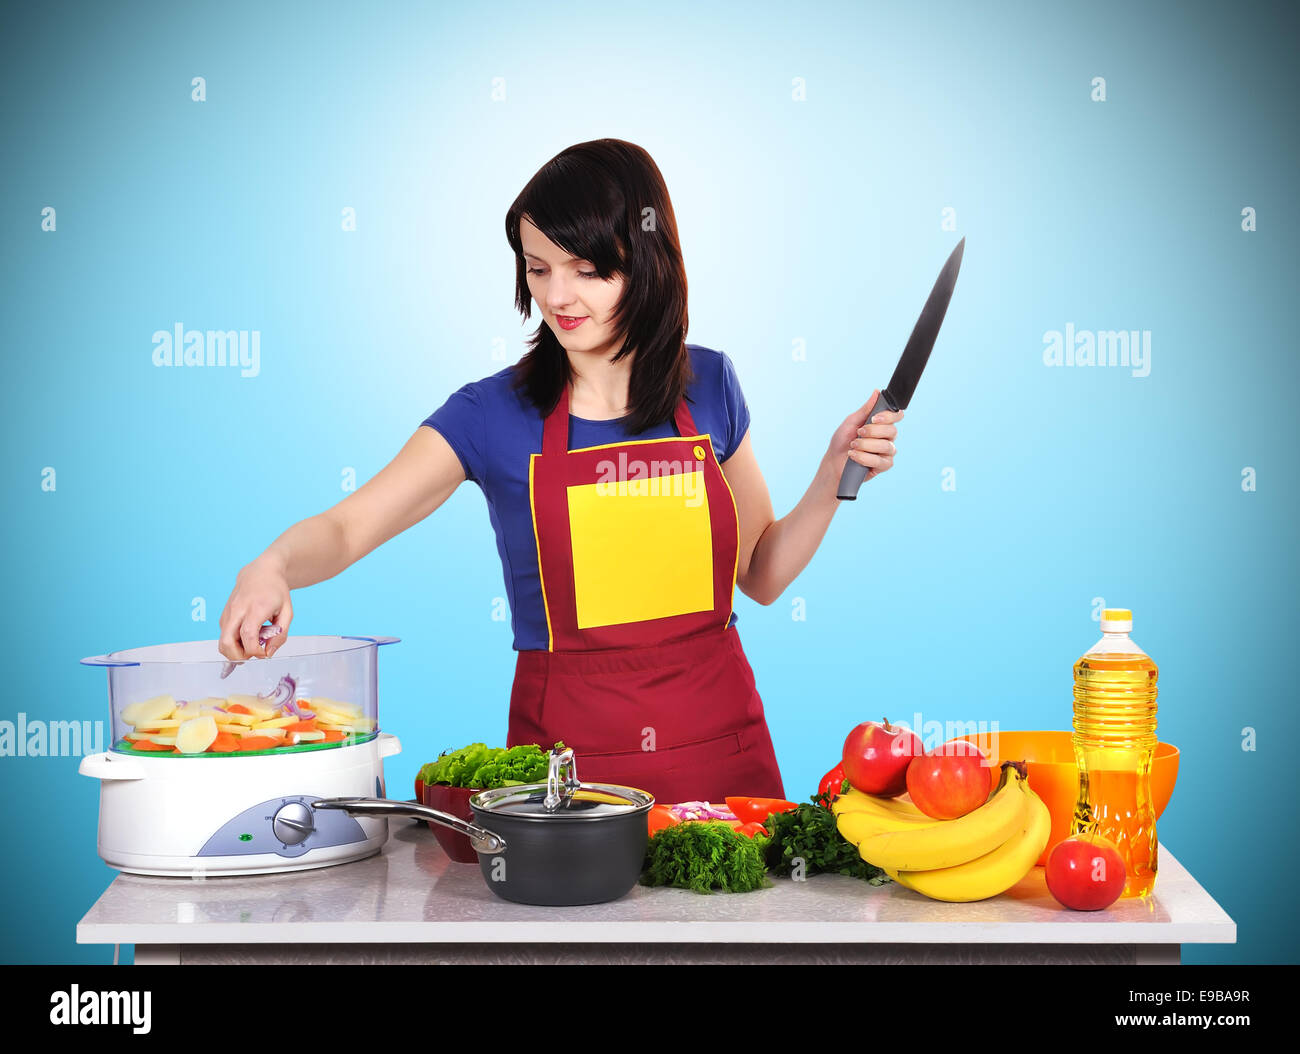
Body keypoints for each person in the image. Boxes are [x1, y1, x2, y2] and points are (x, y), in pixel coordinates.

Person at [218, 138, 902, 803]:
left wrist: (830, 476)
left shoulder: (710, 384)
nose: (558, 297)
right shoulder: (491, 415)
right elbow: (345, 528)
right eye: (537, 268)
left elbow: (763, 573)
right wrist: (272, 565)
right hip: (571, 782)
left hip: (721, 761)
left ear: (648, 261)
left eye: (586, 270)